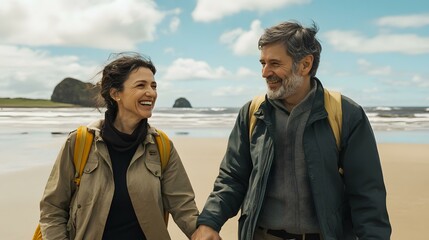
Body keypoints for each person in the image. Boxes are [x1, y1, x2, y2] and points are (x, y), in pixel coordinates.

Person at [192, 21, 391, 240]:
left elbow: (366, 194)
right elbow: (232, 178)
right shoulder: (252, 113)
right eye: (263, 63)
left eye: (274, 63)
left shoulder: (345, 114)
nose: (265, 72)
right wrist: (210, 221)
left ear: (305, 65)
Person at [38, 53, 199, 239]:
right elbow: (52, 208)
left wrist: (203, 231)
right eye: (141, 85)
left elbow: (183, 205)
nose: (151, 92)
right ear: (116, 94)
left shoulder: (161, 146)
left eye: (153, 86)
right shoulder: (80, 142)